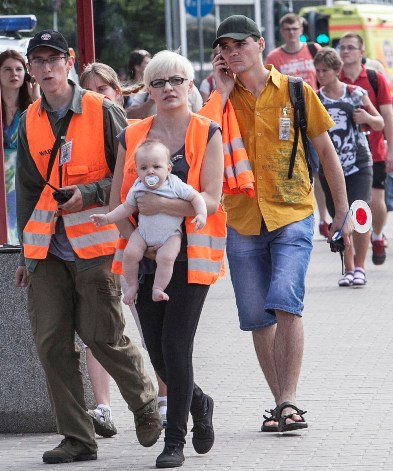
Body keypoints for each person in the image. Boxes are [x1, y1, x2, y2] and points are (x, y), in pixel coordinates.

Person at [13, 29, 161, 464]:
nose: (45, 68)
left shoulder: (101, 110)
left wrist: (91, 194)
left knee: (104, 336)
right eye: (36, 62)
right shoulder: (31, 119)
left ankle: (145, 404)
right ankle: (78, 438)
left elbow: (130, 172)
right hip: (46, 249)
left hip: (95, 242)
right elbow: (25, 191)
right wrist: (26, 253)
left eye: (52, 59)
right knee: (51, 344)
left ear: (69, 60)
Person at [210, 15, 351, 433]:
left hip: (292, 211)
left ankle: (289, 399)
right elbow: (201, 144)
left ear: (259, 44)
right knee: (257, 316)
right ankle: (280, 404)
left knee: (284, 298)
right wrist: (218, 93)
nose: (233, 53)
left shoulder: (295, 90)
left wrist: (340, 212)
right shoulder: (219, 97)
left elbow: (326, 153)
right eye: (225, 47)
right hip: (242, 217)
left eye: (240, 44)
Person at [110, 50, 225, 468]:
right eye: (158, 83)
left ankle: (174, 440)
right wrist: (139, 238)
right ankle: (198, 400)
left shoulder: (206, 131)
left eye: (176, 80)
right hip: (142, 258)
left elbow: (210, 200)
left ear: (190, 86)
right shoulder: (131, 135)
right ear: (148, 90)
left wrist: (162, 208)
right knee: (157, 354)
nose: (168, 89)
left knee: (176, 348)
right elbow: (117, 201)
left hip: (190, 258)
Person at [79, 62, 170, 432]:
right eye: (89, 90)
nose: (98, 95)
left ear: (118, 93)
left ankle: (164, 399)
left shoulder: (136, 136)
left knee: (150, 326)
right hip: (89, 244)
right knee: (98, 330)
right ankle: (103, 408)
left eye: (105, 88)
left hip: (130, 246)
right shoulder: (73, 132)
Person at [91, 139, 207, 304]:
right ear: (137, 171)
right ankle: (132, 286)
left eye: (156, 167)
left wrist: (201, 214)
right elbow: (126, 208)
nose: (150, 172)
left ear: (168, 169)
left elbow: (196, 197)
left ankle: (158, 288)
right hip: (143, 233)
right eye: (144, 168)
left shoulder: (174, 184)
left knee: (166, 258)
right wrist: (107, 219)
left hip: (171, 235)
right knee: (130, 254)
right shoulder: (138, 186)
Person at [314, 47, 383, 286]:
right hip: (330, 166)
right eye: (318, 70)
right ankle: (349, 268)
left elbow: (379, 122)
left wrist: (367, 119)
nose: (321, 74)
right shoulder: (316, 98)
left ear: (337, 71)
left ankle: (361, 267)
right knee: (340, 217)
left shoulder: (355, 93)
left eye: (325, 70)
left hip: (358, 162)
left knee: (359, 212)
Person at [265, 12, 332, 239]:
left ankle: (324, 217)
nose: (292, 33)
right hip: (289, 119)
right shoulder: (274, 57)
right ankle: (307, 213)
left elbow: (330, 74)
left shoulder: (314, 50)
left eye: (295, 29)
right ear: (282, 32)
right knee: (299, 167)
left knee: (320, 166)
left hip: (316, 114)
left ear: (301, 30)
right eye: (287, 30)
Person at [338, 32, 393, 265]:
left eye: (350, 47)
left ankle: (377, 234)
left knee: (374, 200)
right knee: (353, 204)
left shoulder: (375, 78)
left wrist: (392, 148)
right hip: (344, 154)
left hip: (374, 150)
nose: (345, 51)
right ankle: (354, 255)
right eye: (342, 47)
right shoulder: (336, 79)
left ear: (361, 52)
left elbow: (388, 116)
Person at [1, 49, 38, 245]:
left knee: (18, 226)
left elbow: (42, 135)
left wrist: (36, 97)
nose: (13, 74)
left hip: (22, 175)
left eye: (18, 69)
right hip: (1, 176)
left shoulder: (30, 104)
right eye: (7, 69)